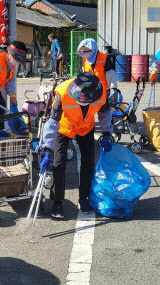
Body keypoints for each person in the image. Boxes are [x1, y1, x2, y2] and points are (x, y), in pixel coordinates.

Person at [39, 72, 113, 218]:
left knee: (88, 163)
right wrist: (47, 149)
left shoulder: (102, 93)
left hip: (86, 127)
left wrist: (106, 134)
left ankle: (83, 198)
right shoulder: (62, 92)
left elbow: (105, 113)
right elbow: (52, 121)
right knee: (58, 164)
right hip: (64, 127)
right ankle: (57, 202)